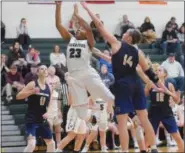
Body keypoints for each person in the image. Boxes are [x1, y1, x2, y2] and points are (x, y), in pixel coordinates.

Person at [81, 2, 168, 152]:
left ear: (129, 38)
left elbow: (100, 28)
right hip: (136, 85)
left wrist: (87, 8)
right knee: (144, 118)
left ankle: (125, 150)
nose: (124, 33)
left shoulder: (117, 44)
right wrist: (162, 86)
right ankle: (153, 147)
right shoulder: (138, 52)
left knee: (121, 123)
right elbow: (150, 73)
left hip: (123, 86)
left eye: (127, 32)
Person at [55, 2, 114, 121]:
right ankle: (94, 117)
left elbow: (87, 28)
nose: (77, 30)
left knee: (108, 96)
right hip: (74, 75)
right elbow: (58, 25)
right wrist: (58, 6)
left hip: (86, 72)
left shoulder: (89, 43)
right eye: (77, 29)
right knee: (81, 114)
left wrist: (77, 16)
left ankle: (111, 110)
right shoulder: (70, 39)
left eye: (80, 30)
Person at [16, 65, 55, 152]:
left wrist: (48, 112)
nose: (44, 70)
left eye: (46, 69)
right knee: (31, 144)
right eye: (42, 69)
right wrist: (32, 91)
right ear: (37, 72)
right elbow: (18, 96)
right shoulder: (33, 84)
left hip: (42, 120)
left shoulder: (49, 87)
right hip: (31, 119)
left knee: (51, 143)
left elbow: (50, 102)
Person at [145, 66, 184, 152]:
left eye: (159, 70)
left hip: (166, 112)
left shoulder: (169, 85)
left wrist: (167, 92)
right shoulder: (150, 83)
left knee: (177, 136)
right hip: (154, 111)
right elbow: (144, 96)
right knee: (148, 138)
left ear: (165, 74)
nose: (157, 72)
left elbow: (177, 100)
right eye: (156, 70)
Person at [46, 66, 62, 149]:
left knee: (58, 129)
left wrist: (59, 110)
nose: (52, 71)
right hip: (48, 108)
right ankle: (51, 146)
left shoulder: (57, 78)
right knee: (49, 129)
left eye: (53, 70)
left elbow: (59, 97)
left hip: (56, 106)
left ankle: (59, 146)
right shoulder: (45, 79)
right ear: (48, 71)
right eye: (50, 70)